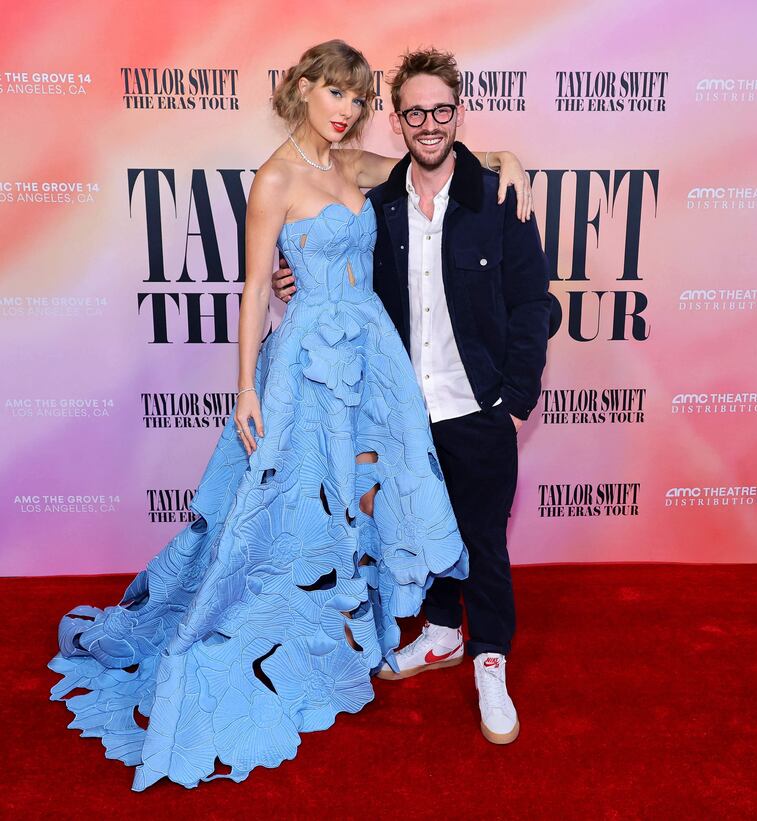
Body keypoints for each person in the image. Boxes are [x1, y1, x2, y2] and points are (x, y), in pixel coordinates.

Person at [47, 40, 533, 791]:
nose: (347, 111)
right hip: (305, 362)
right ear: (302, 89)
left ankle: (380, 636)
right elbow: (251, 290)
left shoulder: (355, 165)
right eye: (335, 94)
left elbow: (430, 167)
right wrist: (244, 385)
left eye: (357, 100)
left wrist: (504, 159)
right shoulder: (274, 178)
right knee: (289, 502)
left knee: (356, 496)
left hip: (369, 356)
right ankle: (286, 635)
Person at [273, 48, 551, 746]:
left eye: (441, 109)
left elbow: (531, 307)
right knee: (421, 527)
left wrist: (514, 403)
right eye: (414, 111)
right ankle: (441, 632)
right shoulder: (384, 200)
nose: (429, 123)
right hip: (403, 409)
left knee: (482, 541)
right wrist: (296, 280)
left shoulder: (497, 199)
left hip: (480, 408)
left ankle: (490, 658)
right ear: (396, 122)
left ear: (459, 113)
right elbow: (339, 267)